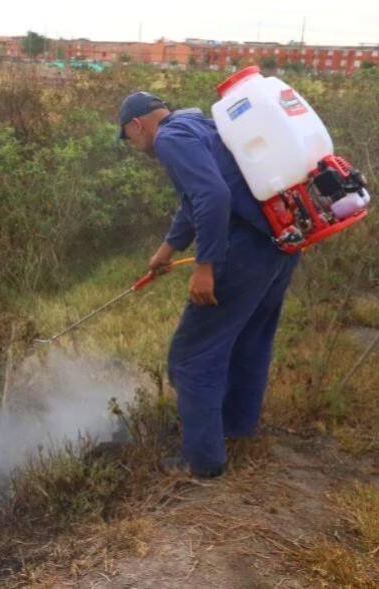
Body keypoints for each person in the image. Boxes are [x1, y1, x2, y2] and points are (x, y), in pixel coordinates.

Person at [118, 91, 299, 478]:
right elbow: (194, 200)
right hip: (278, 245)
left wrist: (205, 266)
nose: (135, 147)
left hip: (243, 252)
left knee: (191, 357)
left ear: (137, 125)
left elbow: (212, 195)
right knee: (250, 340)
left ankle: (202, 460)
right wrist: (168, 248)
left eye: (128, 138)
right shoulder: (199, 125)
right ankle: (235, 430)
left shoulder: (170, 139)